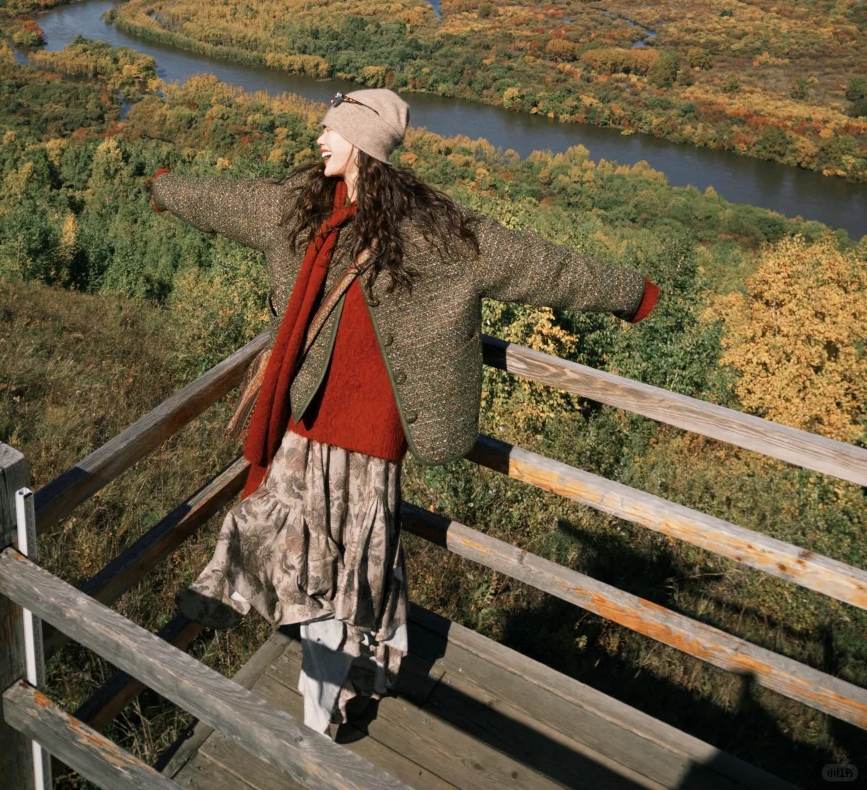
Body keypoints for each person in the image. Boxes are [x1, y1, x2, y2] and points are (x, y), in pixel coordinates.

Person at [151, 88, 659, 735]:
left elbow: (545, 266)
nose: (318, 141)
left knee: (338, 586)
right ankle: (313, 687)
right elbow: (220, 202)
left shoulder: (442, 234)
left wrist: (630, 294)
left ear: (363, 143)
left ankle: (318, 715)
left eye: (330, 131)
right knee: (306, 567)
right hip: (302, 428)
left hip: (368, 447)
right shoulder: (300, 209)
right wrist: (167, 190)